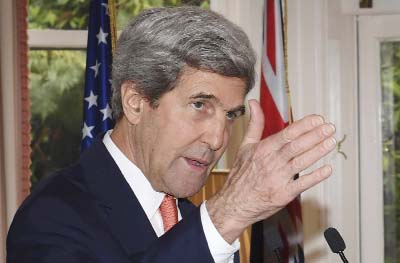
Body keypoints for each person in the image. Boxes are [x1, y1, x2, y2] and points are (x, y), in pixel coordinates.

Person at [7, 6, 336, 263]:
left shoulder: (192, 219)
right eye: (200, 105)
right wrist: (227, 214)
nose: (218, 139)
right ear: (135, 102)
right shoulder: (53, 214)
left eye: (231, 115)